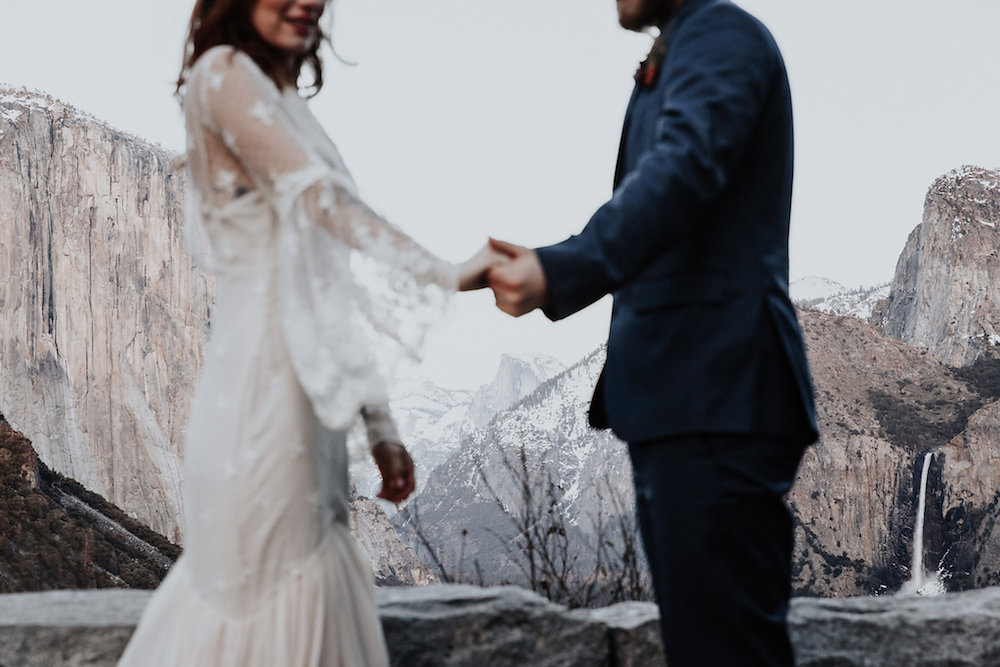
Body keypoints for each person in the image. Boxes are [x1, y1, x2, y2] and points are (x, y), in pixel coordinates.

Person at [117, 1, 498, 664]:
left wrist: (379, 424)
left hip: (308, 418)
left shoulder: (283, 97)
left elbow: (323, 281)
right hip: (257, 406)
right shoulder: (221, 72)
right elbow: (322, 203)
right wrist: (443, 272)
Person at [485, 0, 818, 664]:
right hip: (686, 403)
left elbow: (681, 171)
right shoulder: (691, 43)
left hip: (716, 396)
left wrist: (559, 270)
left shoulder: (723, 35)